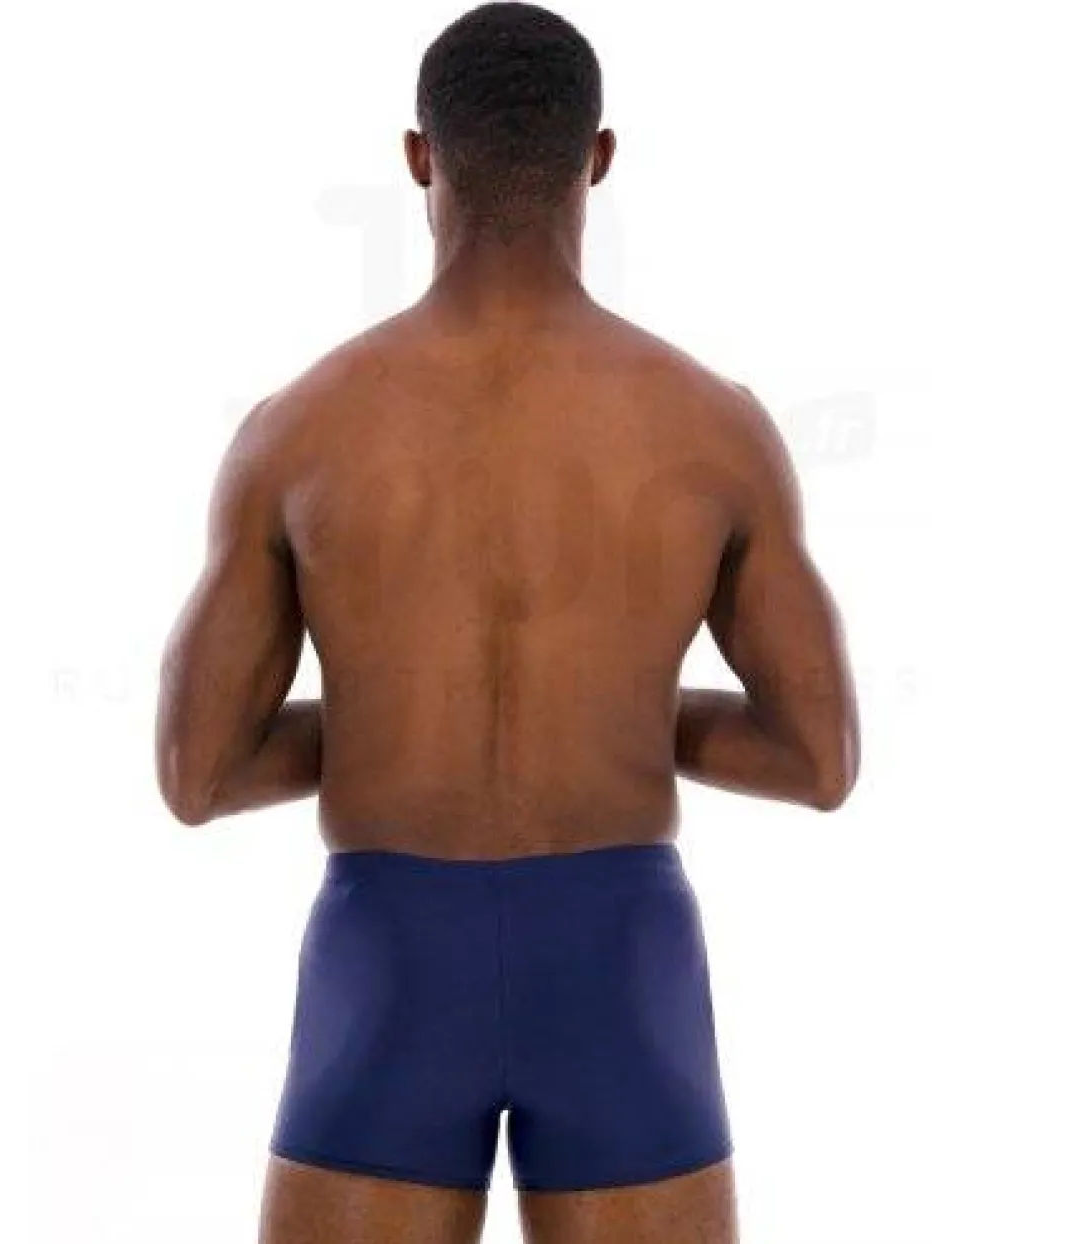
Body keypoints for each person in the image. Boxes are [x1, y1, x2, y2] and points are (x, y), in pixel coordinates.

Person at [154, 5, 858, 1240]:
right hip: (619, 955)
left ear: (420, 157)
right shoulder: (712, 426)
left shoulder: (298, 430)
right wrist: (614, 709)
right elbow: (819, 758)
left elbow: (197, 773)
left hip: (386, 952)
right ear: (599, 157)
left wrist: (394, 710)